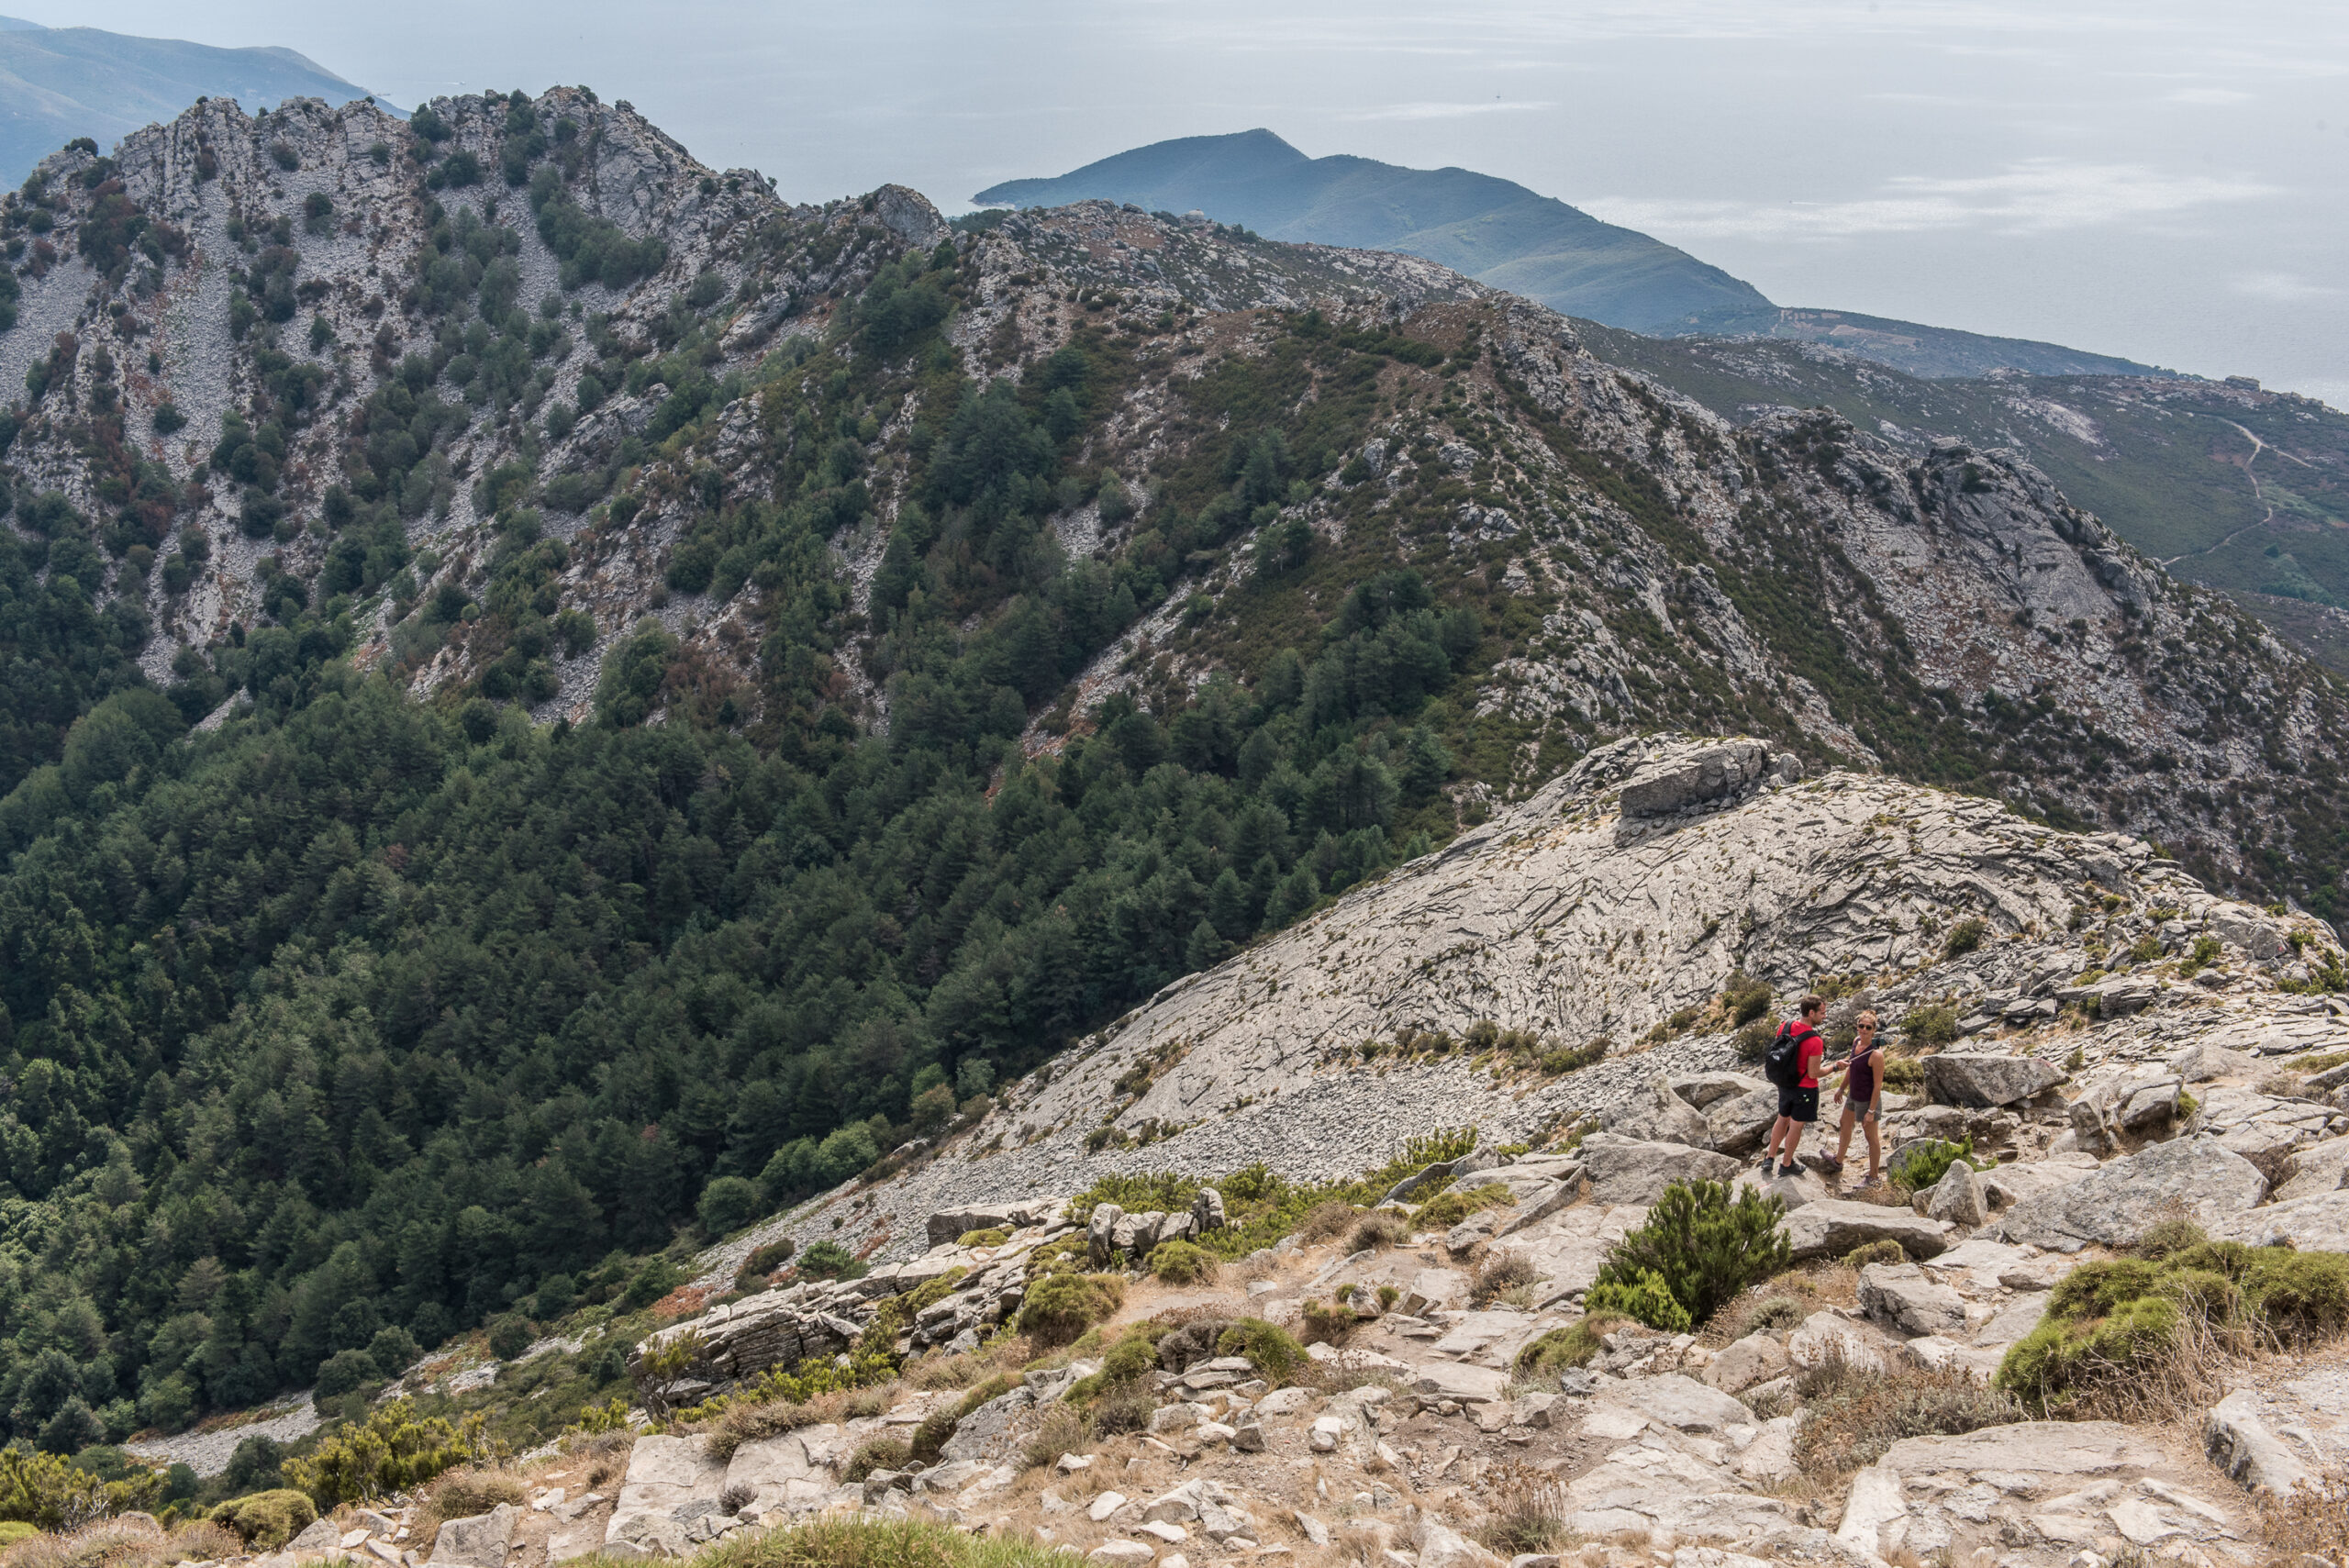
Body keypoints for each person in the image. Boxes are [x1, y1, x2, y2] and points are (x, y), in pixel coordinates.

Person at [1815, 1009, 1885, 1184]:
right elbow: (1852, 1068)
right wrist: (1841, 1088)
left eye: (1868, 1027)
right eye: (1861, 1026)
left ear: (1874, 1030)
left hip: (1868, 1100)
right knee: (1844, 1123)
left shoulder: (1876, 1055)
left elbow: (1878, 1085)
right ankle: (1838, 1160)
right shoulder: (1856, 1043)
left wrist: (1871, 1110)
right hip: (1854, 1095)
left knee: (1871, 1138)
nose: (1864, 1030)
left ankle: (1874, 1176)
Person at [1760, 995, 1826, 1178]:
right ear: (1811, 1013)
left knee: (1782, 1119)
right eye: (1822, 1013)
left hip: (1784, 1084)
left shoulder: (1785, 1026)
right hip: (1804, 1088)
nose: (1824, 1017)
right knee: (1796, 1126)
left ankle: (1769, 1158)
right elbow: (1814, 1073)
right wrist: (1834, 1067)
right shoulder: (1815, 1041)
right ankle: (1786, 1163)